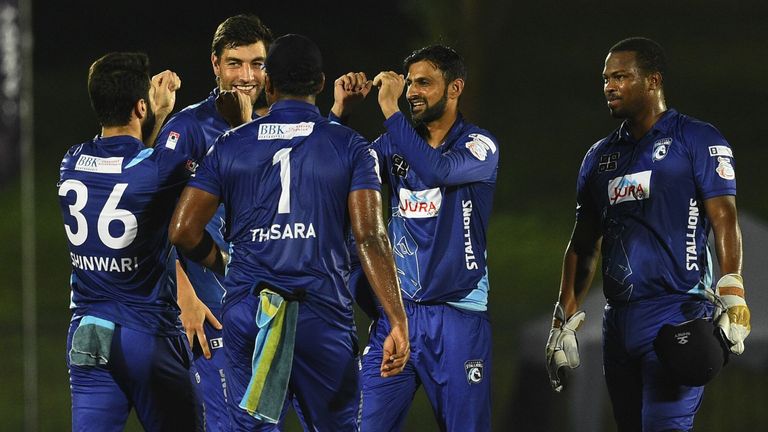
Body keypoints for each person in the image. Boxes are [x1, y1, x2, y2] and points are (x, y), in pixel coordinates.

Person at [168, 34, 410, 431]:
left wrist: (224, 264)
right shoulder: (351, 146)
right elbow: (370, 237)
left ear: (269, 84)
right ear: (319, 83)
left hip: (252, 314)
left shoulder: (230, 144)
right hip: (321, 316)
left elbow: (182, 230)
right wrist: (396, 318)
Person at [545, 37, 751, 431]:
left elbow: (724, 216)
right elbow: (583, 241)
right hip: (617, 321)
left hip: (678, 311)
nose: (609, 86)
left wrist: (733, 290)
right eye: (606, 78)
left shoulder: (698, 140)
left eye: (621, 77)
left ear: (653, 80)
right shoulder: (598, 158)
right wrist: (562, 319)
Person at [332, 45, 499, 431]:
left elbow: (437, 170)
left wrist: (389, 110)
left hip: (458, 317)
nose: (411, 92)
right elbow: (337, 174)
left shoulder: (479, 145)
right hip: (399, 320)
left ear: (454, 88)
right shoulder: (393, 145)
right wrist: (341, 113)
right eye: (408, 84)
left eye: (424, 83)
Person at [57, 52, 203, 431]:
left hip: (87, 335)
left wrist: (146, 115)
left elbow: (130, 168)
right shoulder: (160, 169)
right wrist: (164, 111)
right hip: (146, 334)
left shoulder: (71, 162)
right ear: (141, 106)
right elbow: (152, 170)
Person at [153, 15, 273, 431]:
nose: (246, 75)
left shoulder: (275, 126)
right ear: (215, 65)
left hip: (267, 314)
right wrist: (184, 295)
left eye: (256, 64)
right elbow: (150, 217)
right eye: (235, 63)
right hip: (211, 314)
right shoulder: (187, 128)